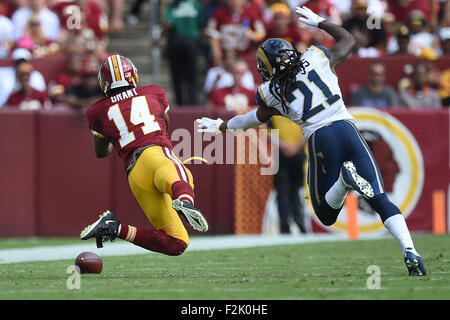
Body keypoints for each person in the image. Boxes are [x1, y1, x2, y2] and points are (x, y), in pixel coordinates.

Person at [197, 6, 427, 276]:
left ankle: (344, 182)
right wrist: (320, 22)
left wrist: (222, 126)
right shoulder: (316, 57)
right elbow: (348, 40)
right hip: (348, 128)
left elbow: (251, 119)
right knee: (379, 198)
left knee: (326, 213)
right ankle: (410, 249)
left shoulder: (272, 92)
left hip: (321, 137)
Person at [80, 55, 208, 256]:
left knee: (176, 243)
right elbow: (165, 124)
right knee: (182, 178)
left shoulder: (96, 112)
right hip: (155, 154)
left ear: (102, 83)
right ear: (134, 77)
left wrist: (116, 137)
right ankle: (185, 202)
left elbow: (101, 153)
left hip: (135, 174)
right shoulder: (155, 93)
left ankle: (116, 228)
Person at [269, 116, 307, 233]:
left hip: (288, 153)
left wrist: (288, 146)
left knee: (291, 191)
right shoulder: (302, 105)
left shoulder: (274, 107)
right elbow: (269, 132)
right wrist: (293, 147)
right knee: (287, 191)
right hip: (287, 154)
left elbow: (269, 133)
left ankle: (292, 223)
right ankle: (292, 223)